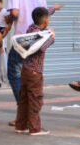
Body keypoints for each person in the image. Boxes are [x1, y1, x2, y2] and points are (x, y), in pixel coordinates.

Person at [5, 0, 63, 125]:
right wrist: (54, 9)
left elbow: (15, 12)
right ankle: (27, 114)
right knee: (32, 75)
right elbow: (43, 13)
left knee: (14, 74)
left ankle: (22, 112)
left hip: (22, 40)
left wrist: (9, 17)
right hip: (36, 41)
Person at [15, 7, 56, 136]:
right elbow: (42, 47)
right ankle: (35, 128)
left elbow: (42, 16)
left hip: (25, 70)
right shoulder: (42, 36)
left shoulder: (31, 29)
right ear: (45, 21)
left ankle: (21, 125)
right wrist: (51, 37)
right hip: (35, 72)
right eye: (48, 18)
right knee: (35, 99)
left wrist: (53, 9)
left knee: (24, 99)